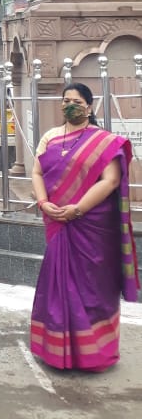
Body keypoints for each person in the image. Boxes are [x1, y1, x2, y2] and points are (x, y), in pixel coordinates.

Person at [30, 83, 139, 371]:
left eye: (77, 101)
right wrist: (43, 203)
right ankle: (58, 352)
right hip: (58, 222)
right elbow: (37, 171)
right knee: (58, 286)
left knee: (93, 289)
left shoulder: (103, 141)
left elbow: (111, 180)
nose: (70, 105)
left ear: (89, 107)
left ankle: (95, 356)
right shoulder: (51, 138)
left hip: (91, 227)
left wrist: (77, 210)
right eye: (65, 100)